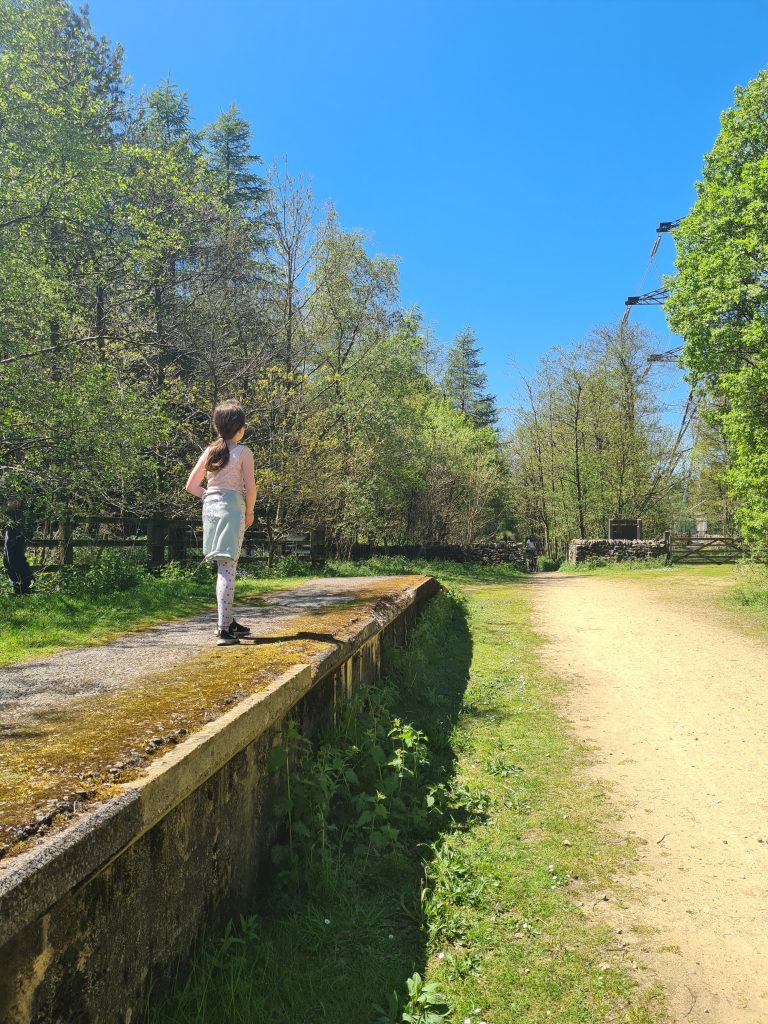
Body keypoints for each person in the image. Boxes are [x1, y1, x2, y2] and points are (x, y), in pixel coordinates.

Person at [185, 401, 257, 646]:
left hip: (211, 510)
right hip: (232, 509)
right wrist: (250, 512)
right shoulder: (243, 452)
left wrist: (209, 495)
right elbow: (251, 486)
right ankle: (224, 629)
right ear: (239, 428)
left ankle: (228, 621)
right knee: (228, 568)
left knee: (222, 566)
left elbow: (191, 486)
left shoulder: (210, 451)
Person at [3, 497, 35, 596]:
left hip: (16, 532)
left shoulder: (18, 515)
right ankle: (19, 589)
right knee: (9, 561)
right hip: (13, 530)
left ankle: (24, 589)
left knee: (14, 560)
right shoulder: (12, 516)